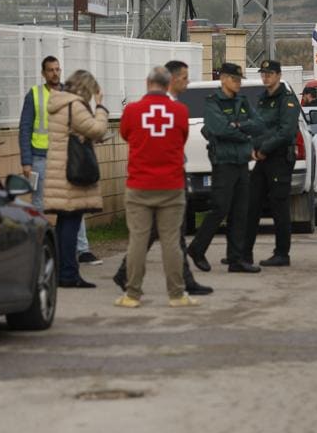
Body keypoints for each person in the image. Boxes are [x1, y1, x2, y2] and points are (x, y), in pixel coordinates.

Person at [113, 60, 212, 296]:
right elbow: (181, 137)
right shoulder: (179, 111)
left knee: (140, 239)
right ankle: (178, 289)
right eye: (184, 77)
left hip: (140, 183)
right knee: (172, 239)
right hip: (171, 182)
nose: (187, 82)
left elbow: (126, 135)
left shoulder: (132, 111)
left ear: (148, 83)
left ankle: (131, 286)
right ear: (170, 81)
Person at [20, 56, 100, 266]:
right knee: (38, 205)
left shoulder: (69, 94)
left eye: (57, 69)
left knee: (75, 203)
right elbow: (25, 128)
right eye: (50, 70)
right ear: (43, 73)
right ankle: (40, 248)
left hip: (65, 156)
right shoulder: (35, 95)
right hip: (40, 157)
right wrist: (26, 161)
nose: (55, 73)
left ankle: (82, 250)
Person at [187, 63, 264, 274]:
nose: (238, 84)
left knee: (240, 211)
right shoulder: (214, 103)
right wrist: (243, 132)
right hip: (223, 162)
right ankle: (197, 248)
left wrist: (237, 127)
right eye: (235, 79)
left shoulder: (242, 101)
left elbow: (258, 124)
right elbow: (218, 128)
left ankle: (236, 259)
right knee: (220, 208)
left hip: (241, 162)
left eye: (240, 80)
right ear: (224, 79)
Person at [43, 69, 109, 288]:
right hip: (72, 173)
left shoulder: (58, 103)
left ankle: (63, 272)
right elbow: (97, 129)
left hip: (59, 169)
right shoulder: (75, 105)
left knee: (64, 223)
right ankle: (69, 274)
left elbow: (72, 133)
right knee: (71, 223)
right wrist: (100, 107)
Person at [245, 60, 301, 267]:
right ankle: (244, 253)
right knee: (252, 205)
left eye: (269, 73)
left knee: (279, 208)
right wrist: (253, 147)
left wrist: (264, 149)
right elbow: (257, 126)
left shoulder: (286, 99)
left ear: (278, 75)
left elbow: (286, 132)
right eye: (263, 73)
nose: (265, 77)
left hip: (278, 159)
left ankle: (281, 254)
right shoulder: (262, 99)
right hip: (262, 159)